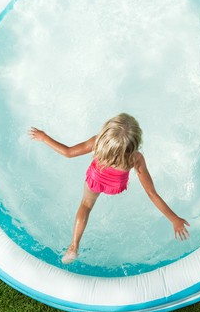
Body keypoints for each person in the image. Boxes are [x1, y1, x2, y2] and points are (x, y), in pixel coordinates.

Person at [29, 113, 190, 264]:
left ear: (106, 134)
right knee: (89, 203)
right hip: (115, 186)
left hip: (95, 181)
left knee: (86, 205)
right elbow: (151, 193)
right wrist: (174, 219)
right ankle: (73, 246)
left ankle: (73, 247)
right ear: (135, 142)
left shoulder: (97, 142)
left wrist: (44, 138)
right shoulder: (136, 158)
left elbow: (68, 152)